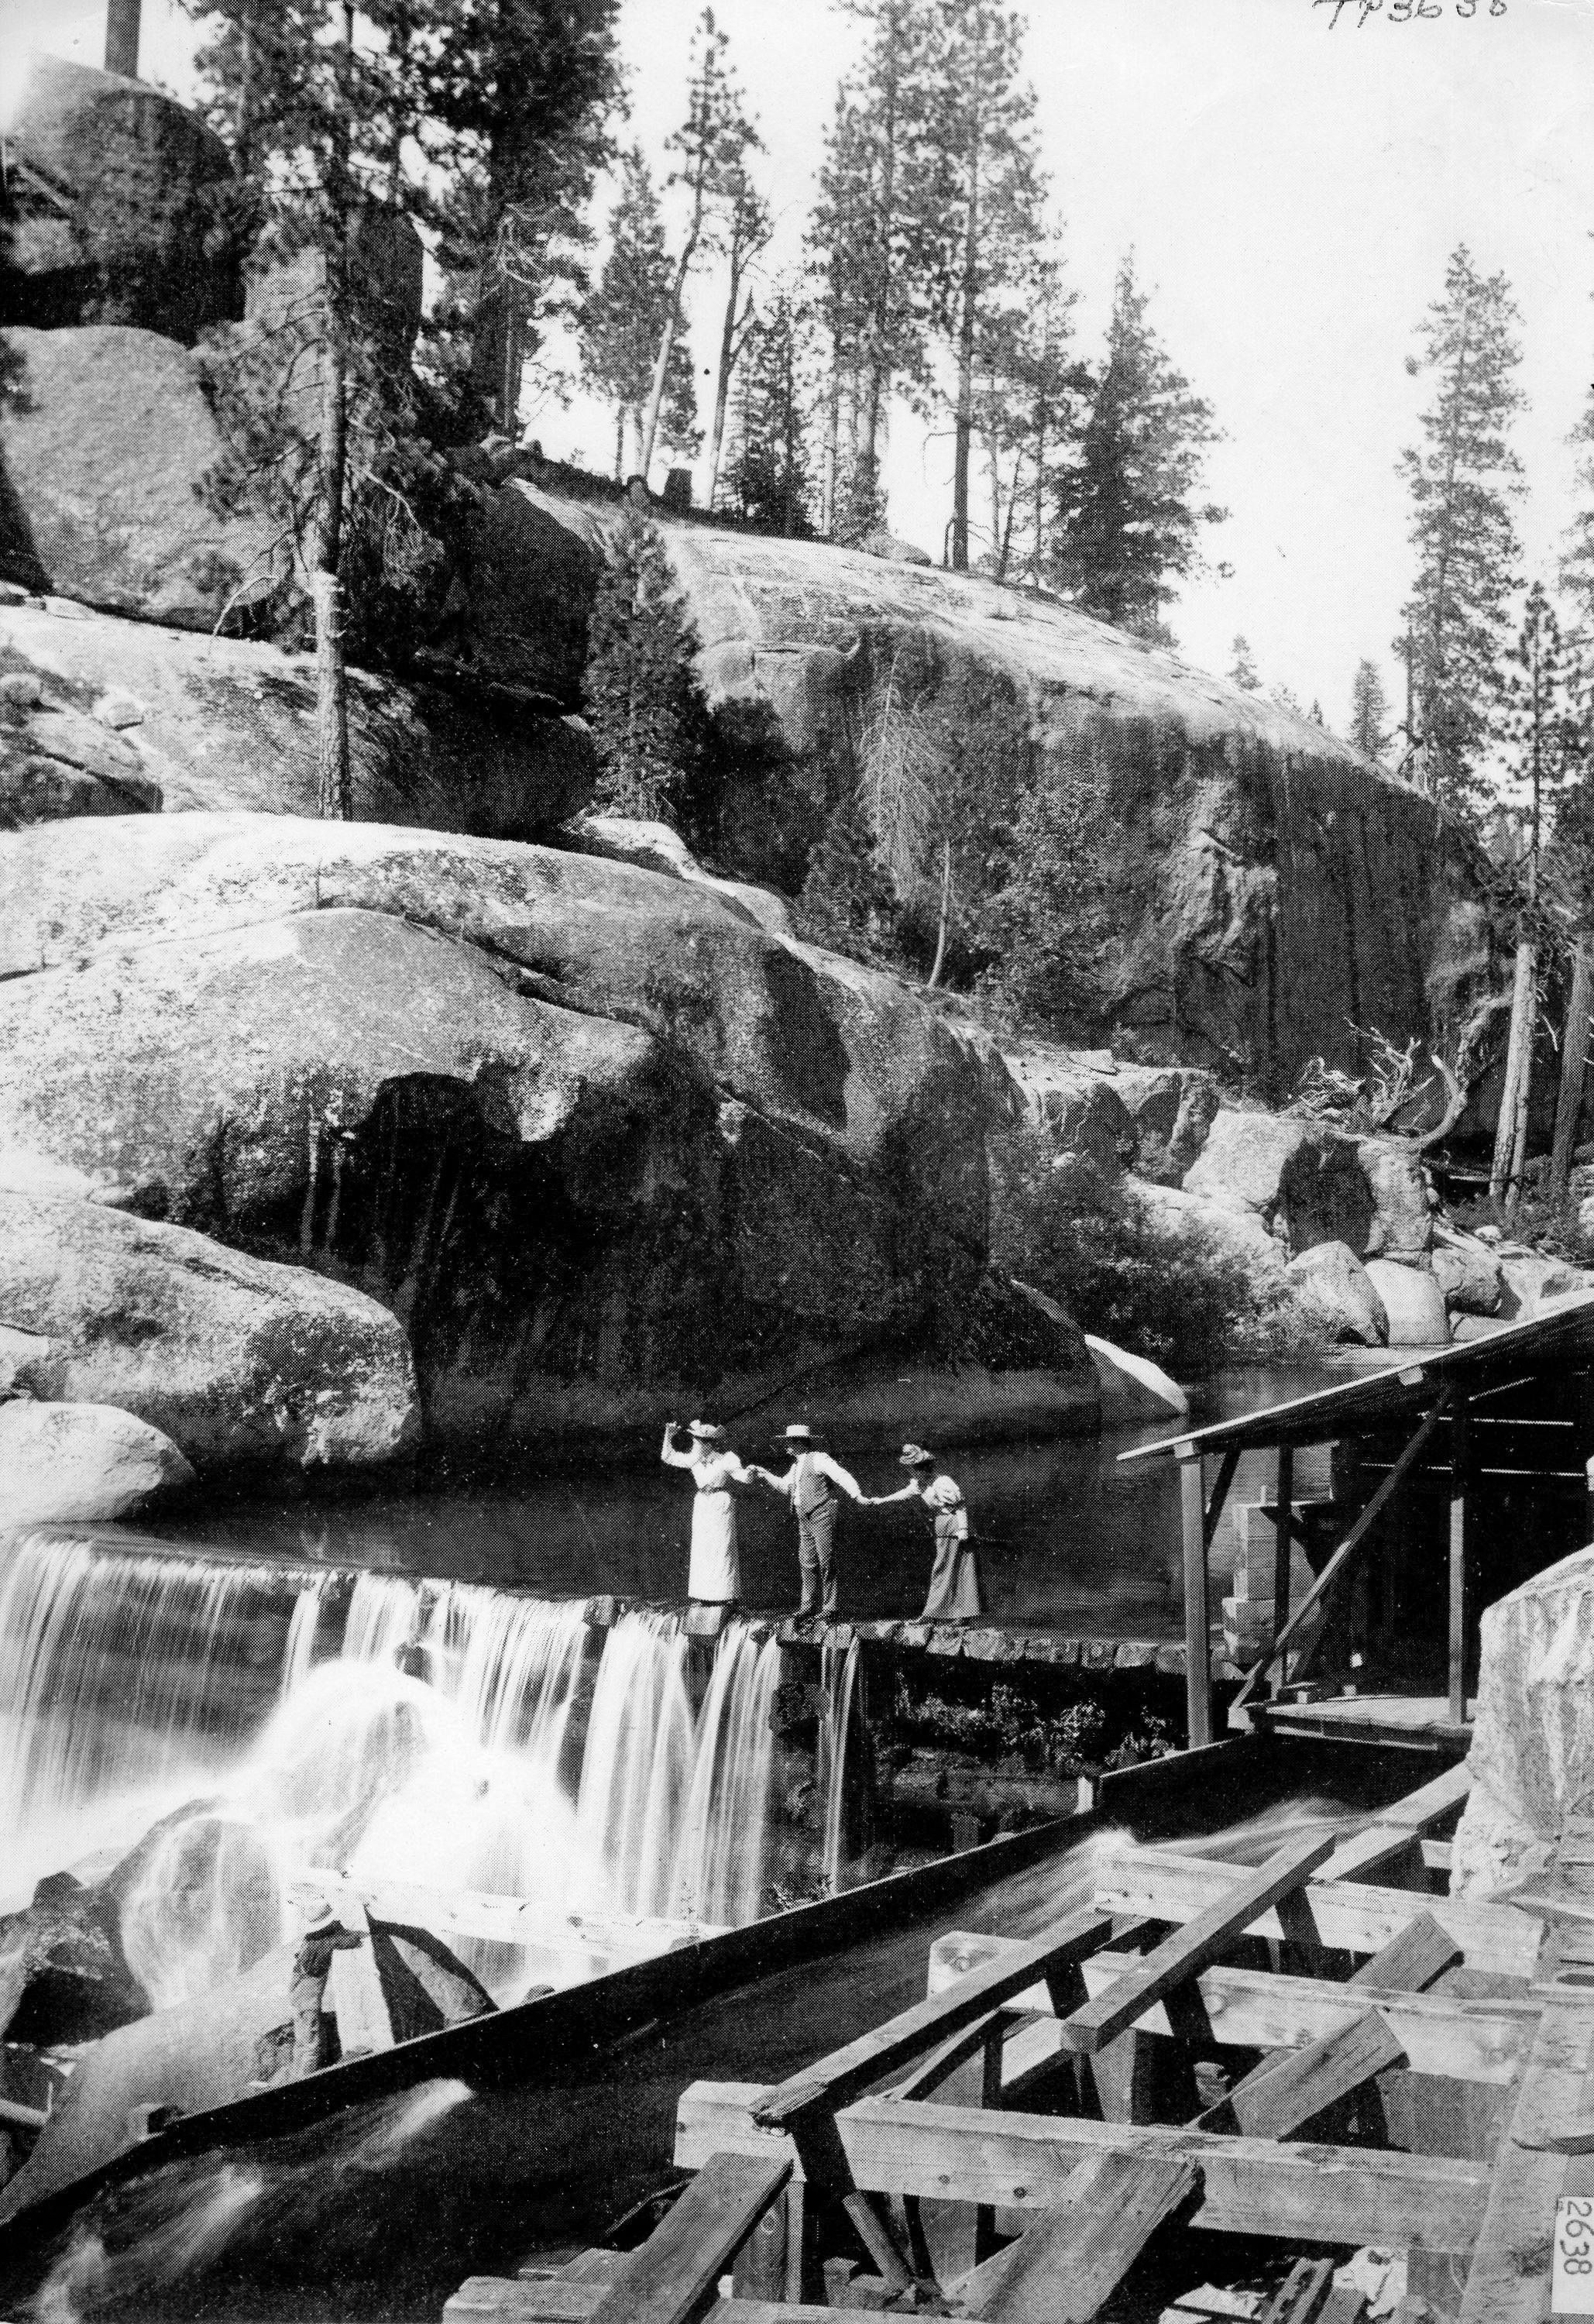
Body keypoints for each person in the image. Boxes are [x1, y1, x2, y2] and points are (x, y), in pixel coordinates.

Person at [751, 1423, 865, 1618]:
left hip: (822, 1513)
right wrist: (765, 1474)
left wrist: (857, 1495)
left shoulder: (819, 1459)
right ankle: (808, 1606)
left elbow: (841, 1476)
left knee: (826, 1560)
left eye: (789, 1441)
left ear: (798, 1442)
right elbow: (786, 1487)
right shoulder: (795, 1466)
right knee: (807, 1561)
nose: (786, 1445)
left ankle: (830, 1607)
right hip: (803, 1517)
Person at [868, 1443, 985, 1621]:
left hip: (953, 1524)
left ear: (923, 1468)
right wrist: (881, 1500)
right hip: (942, 1525)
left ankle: (942, 1614)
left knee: (953, 1568)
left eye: (913, 1469)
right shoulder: (920, 1484)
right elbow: (904, 1494)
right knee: (948, 1567)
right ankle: (948, 1614)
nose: (911, 1474)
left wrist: (963, 1528)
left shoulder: (941, 1482)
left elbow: (960, 1505)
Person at [661, 1419, 757, 1604]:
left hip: (720, 1504)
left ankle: (725, 1595)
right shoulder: (693, 1460)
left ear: (711, 1443)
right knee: (702, 1548)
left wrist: (750, 1474)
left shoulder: (725, 1459)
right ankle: (704, 1595)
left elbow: (742, 1476)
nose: (698, 1444)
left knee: (721, 1547)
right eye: (697, 1440)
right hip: (702, 1505)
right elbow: (668, 1456)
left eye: (703, 1441)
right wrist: (669, 1435)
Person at [288, 1896, 365, 2079]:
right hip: (309, 2005)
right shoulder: (326, 1942)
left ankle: (293, 2079)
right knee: (312, 2048)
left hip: (296, 2000)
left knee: (301, 2044)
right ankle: (303, 2084)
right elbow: (354, 1941)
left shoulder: (308, 1940)